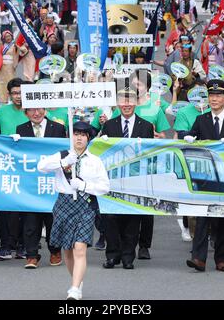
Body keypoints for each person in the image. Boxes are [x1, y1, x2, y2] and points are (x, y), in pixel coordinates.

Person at [37, 121, 110, 300]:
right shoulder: (62, 155)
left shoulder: (95, 161)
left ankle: (75, 290)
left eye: (83, 135)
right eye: (76, 134)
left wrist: (84, 185)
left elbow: (105, 187)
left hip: (85, 205)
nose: (79, 137)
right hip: (64, 203)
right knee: (67, 250)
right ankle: (76, 281)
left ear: (88, 138)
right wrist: (63, 162)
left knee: (79, 248)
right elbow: (41, 167)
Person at [185, 79, 224, 272]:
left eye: (219, 95)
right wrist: (188, 138)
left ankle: (222, 259)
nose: (214, 99)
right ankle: (198, 258)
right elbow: (191, 140)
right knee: (202, 218)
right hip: (205, 178)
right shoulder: (200, 120)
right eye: (211, 95)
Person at [101, 88, 154, 270]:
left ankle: (128, 257)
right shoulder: (109, 125)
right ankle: (112, 255)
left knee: (133, 220)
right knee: (110, 219)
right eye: (123, 100)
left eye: (130, 100)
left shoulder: (146, 126)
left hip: (136, 181)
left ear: (136, 103)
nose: (126, 104)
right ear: (117, 103)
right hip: (113, 181)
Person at [15, 106, 66, 269]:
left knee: (52, 220)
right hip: (30, 184)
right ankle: (31, 255)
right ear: (25, 113)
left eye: (39, 109)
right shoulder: (20, 129)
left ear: (45, 110)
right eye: (31, 110)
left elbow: (63, 153)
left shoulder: (58, 128)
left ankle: (55, 251)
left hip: (52, 183)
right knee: (30, 221)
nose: (36, 113)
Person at [0, 78, 29, 260]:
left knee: (24, 206)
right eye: (14, 93)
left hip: (26, 164)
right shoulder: (2, 111)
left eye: (21, 92)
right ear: (9, 94)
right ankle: (6, 245)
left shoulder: (32, 111)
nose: (18, 96)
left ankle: (22, 245)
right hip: (5, 163)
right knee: (3, 206)